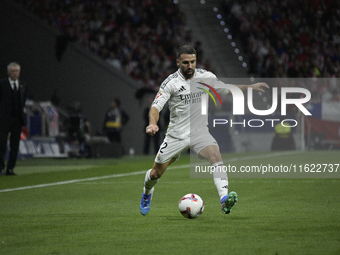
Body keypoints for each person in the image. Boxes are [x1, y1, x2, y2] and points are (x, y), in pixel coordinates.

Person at [140, 45, 269, 215]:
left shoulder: (206, 77)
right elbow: (155, 107)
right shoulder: (171, 83)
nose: (190, 66)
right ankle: (147, 193)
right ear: (178, 62)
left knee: (216, 156)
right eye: (185, 62)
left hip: (200, 132)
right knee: (155, 174)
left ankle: (224, 199)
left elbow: (225, 89)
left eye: (193, 62)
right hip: (176, 136)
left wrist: (249, 88)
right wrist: (152, 123)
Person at [0, 62, 28, 176]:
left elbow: (23, 101)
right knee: (1, 144)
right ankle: (1, 167)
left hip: (17, 120)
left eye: (17, 71)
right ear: (8, 72)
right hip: (4, 119)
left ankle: (10, 168)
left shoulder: (23, 85)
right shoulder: (2, 84)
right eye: (13, 71)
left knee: (14, 146)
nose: (15, 73)